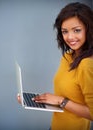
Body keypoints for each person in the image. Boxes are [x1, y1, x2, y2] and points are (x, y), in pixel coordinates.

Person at [17, 2, 93, 130]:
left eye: (77, 30)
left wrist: (61, 101)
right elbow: (68, 96)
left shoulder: (87, 65)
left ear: (89, 29)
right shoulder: (68, 56)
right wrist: (38, 100)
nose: (70, 37)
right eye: (65, 31)